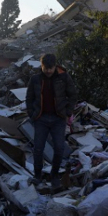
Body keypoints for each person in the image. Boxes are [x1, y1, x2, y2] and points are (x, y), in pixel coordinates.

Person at [25, 53, 77, 191]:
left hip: (58, 118)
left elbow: (72, 95)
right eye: (45, 68)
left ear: (55, 66)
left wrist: (68, 112)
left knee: (59, 148)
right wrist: (32, 114)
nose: (48, 71)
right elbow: (29, 98)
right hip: (40, 119)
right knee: (38, 149)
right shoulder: (35, 79)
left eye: (50, 68)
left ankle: (54, 176)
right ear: (41, 66)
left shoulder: (63, 77)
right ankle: (37, 176)